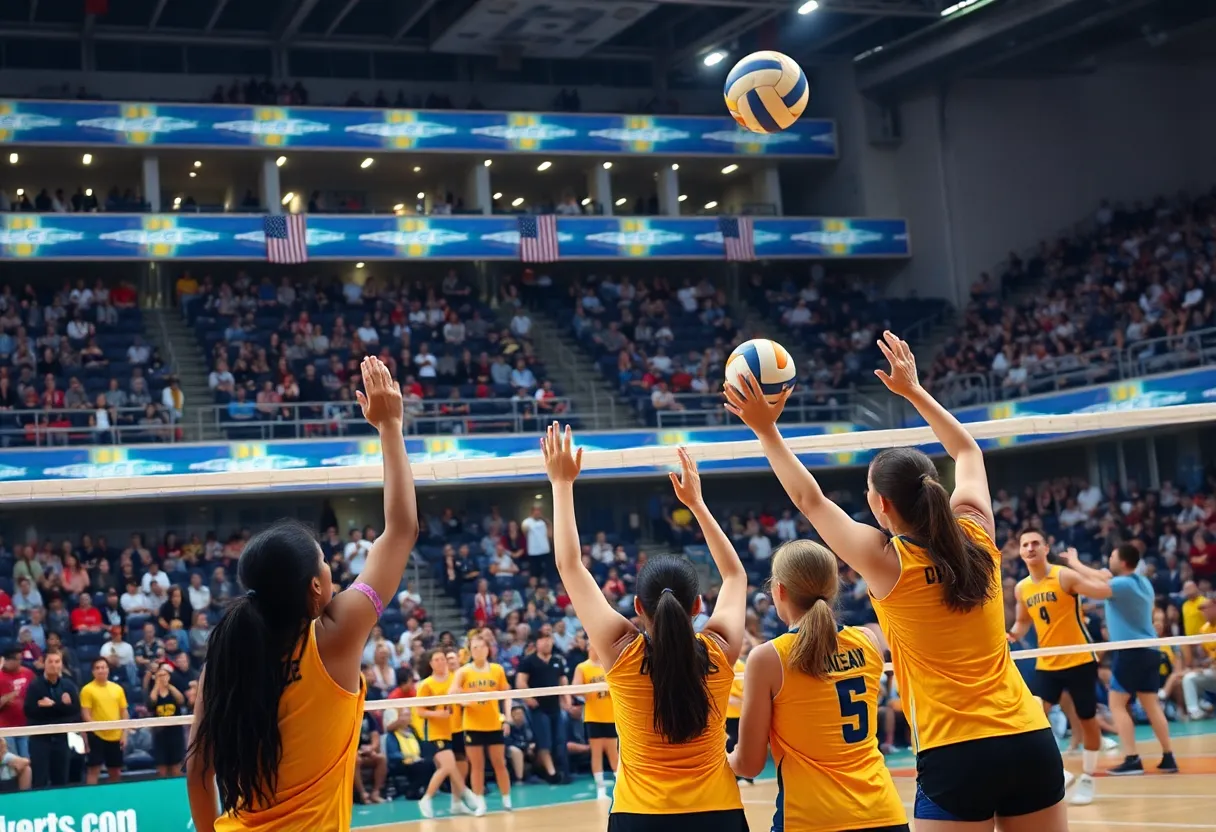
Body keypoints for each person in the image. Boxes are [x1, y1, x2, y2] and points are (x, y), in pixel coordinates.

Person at [727, 332, 1063, 832]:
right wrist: (914, 391)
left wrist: (765, 431)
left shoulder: (889, 562)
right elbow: (967, 450)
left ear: (881, 505)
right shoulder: (977, 534)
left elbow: (810, 500)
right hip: (1030, 737)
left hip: (956, 752)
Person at [186, 356, 419, 832]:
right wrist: (390, 427)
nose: (332, 571)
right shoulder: (335, 635)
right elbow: (400, 531)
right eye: (325, 564)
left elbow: (197, 771)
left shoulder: (225, 656)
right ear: (315, 588)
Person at [543, 425, 749, 832]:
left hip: (640, 816)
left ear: (638, 607)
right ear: (697, 606)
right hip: (718, 813)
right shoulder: (720, 648)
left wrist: (561, 484)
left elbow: (569, 565)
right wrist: (697, 505)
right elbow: (735, 575)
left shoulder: (621, 651)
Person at [728, 540, 907, 832]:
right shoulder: (868, 641)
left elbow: (748, 765)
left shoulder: (769, 658)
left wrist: (713, 756)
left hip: (810, 820)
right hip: (885, 814)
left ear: (779, 590)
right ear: (833, 586)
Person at [1009, 534, 1112, 804]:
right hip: (1048, 661)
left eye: (1035, 543)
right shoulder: (1021, 588)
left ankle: (1088, 777)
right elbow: (1023, 621)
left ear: (1046, 548)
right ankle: (1059, 772)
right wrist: (1012, 634)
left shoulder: (1063, 576)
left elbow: (1104, 592)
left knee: (1087, 719)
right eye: (1025, 545)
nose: (1030, 548)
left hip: (1079, 659)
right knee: (1032, 716)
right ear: (1020, 552)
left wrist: (1089, 572)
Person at [1070, 544, 1177, 775]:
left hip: (1131, 652)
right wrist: (1078, 563)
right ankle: (1169, 756)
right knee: (1151, 704)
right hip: (1151, 650)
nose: (1109, 559)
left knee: (1117, 705)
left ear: (1123, 562)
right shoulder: (1142, 582)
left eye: (1112, 556)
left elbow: (1094, 589)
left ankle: (1132, 759)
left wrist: (1071, 571)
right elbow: (1102, 576)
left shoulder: (1122, 585)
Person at [451, 633, 512, 815]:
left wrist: (507, 717)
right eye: (474, 647)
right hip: (472, 725)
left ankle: (506, 799)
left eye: (481, 646)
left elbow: (507, 694)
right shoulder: (464, 672)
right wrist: (465, 700)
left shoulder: (497, 670)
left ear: (488, 649)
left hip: (493, 723)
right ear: (470, 650)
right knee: (476, 766)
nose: (478, 650)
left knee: (499, 763)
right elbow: (452, 693)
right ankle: (480, 804)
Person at [412, 649, 477, 818]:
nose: (440, 662)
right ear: (431, 663)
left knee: (461, 766)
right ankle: (427, 798)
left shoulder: (454, 680)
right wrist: (437, 714)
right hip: (436, 732)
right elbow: (419, 711)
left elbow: (465, 696)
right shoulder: (426, 684)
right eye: (436, 660)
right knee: (448, 766)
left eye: (442, 659)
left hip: (456, 729)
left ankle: (457, 803)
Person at [515, 630, 570, 783]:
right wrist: (528, 698)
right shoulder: (528, 661)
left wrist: (566, 699)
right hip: (539, 708)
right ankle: (551, 773)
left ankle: (563, 771)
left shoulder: (557, 660)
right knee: (545, 741)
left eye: (549, 639)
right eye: (543, 639)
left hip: (555, 707)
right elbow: (520, 681)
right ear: (537, 643)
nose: (546, 643)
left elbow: (563, 680)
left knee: (560, 739)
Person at [22, 649, 81, 788]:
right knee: (40, 779)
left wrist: (53, 705)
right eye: (50, 661)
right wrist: (61, 706)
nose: (54, 665)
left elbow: (75, 710)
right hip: (40, 739)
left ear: (61, 664)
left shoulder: (68, 685)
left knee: (61, 780)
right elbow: (30, 711)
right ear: (44, 664)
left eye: (57, 661)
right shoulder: (35, 685)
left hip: (61, 738)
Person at [571, 645, 617, 800]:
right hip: (593, 716)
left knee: (613, 753)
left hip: (611, 715)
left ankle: (620, 787)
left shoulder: (609, 664)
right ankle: (600, 789)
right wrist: (588, 689)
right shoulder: (582, 667)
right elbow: (575, 689)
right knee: (596, 753)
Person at [81, 656, 130, 784]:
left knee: (115, 771)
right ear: (93, 671)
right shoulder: (87, 690)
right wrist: (96, 729)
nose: (101, 670)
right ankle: (91, 795)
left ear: (108, 669)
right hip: (97, 736)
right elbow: (86, 715)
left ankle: (115, 795)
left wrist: (124, 734)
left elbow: (124, 712)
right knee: (93, 770)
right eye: (97, 668)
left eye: (103, 667)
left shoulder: (118, 689)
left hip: (116, 736)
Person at [1181, 597, 1216, 720]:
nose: (1204, 612)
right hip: (1213, 672)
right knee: (1189, 678)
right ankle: (1195, 711)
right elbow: (1205, 656)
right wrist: (1200, 666)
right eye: (1202, 610)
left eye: (1206, 609)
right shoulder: (1204, 630)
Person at [0, 648, 35, 760]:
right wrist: (5, 699)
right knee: (13, 763)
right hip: (5, 728)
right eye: (17, 659)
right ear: (6, 660)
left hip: (24, 725)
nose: (20, 662)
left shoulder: (28, 673)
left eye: (20, 659)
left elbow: (37, 693)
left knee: (26, 760)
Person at [724, 644, 751, 787]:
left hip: (741, 713)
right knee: (731, 742)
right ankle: (734, 775)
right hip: (728, 714)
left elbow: (748, 689)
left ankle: (746, 776)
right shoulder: (725, 665)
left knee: (743, 743)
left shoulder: (742, 667)